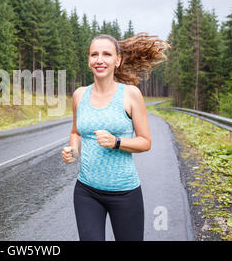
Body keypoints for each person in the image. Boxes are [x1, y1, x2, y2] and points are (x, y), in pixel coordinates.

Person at [61, 33, 170, 241]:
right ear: (88, 60)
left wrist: (117, 142)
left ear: (117, 60)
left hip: (125, 193)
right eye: (94, 54)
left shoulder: (130, 94)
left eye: (106, 54)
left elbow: (145, 142)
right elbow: (76, 131)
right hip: (86, 191)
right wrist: (73, 151)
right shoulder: (79, 95)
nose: (99, 60)